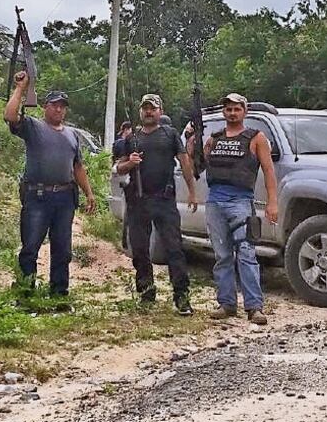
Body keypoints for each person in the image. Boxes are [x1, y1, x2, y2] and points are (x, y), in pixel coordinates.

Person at [4, 71, 96, 301]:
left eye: (63, 106)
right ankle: (26, 293)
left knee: (62, 250)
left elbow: (78, 167)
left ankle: (59, 294)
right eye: (55, 105)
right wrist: (20, 89)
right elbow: (10, 115)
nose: (59, 110)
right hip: (38, 196)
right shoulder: (34, 127)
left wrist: (89, 193)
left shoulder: (72, 135)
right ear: (46, 106)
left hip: (64, 198)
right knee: (30, 247)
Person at [191, 93, 279, 324]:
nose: (232, 113)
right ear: (224, 112)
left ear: (245, 111)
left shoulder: (256, 137)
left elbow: (269, 171)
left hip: (241, 201)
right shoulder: (214, 138)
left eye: (236, 109)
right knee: (221, 256)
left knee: (247, 254)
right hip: (215, 201)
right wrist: (192, 142)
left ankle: (254, 307)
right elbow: (197, 167)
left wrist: (272, 202)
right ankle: (226, 303)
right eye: (228, 109)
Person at [116, 94, 198, 316]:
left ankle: (182, 297)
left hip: (164, 200)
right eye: (145, 108)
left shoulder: (170, 135)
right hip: (138, 201)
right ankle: (146, 294)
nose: (149, 112)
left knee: (174, 249)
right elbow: (117, 169)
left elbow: (184, 162)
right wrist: (128, 163)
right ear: (140, 112)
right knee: (140, 251)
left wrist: (192, 191)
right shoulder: (131, 138)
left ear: (160, 111)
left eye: (153, 108)